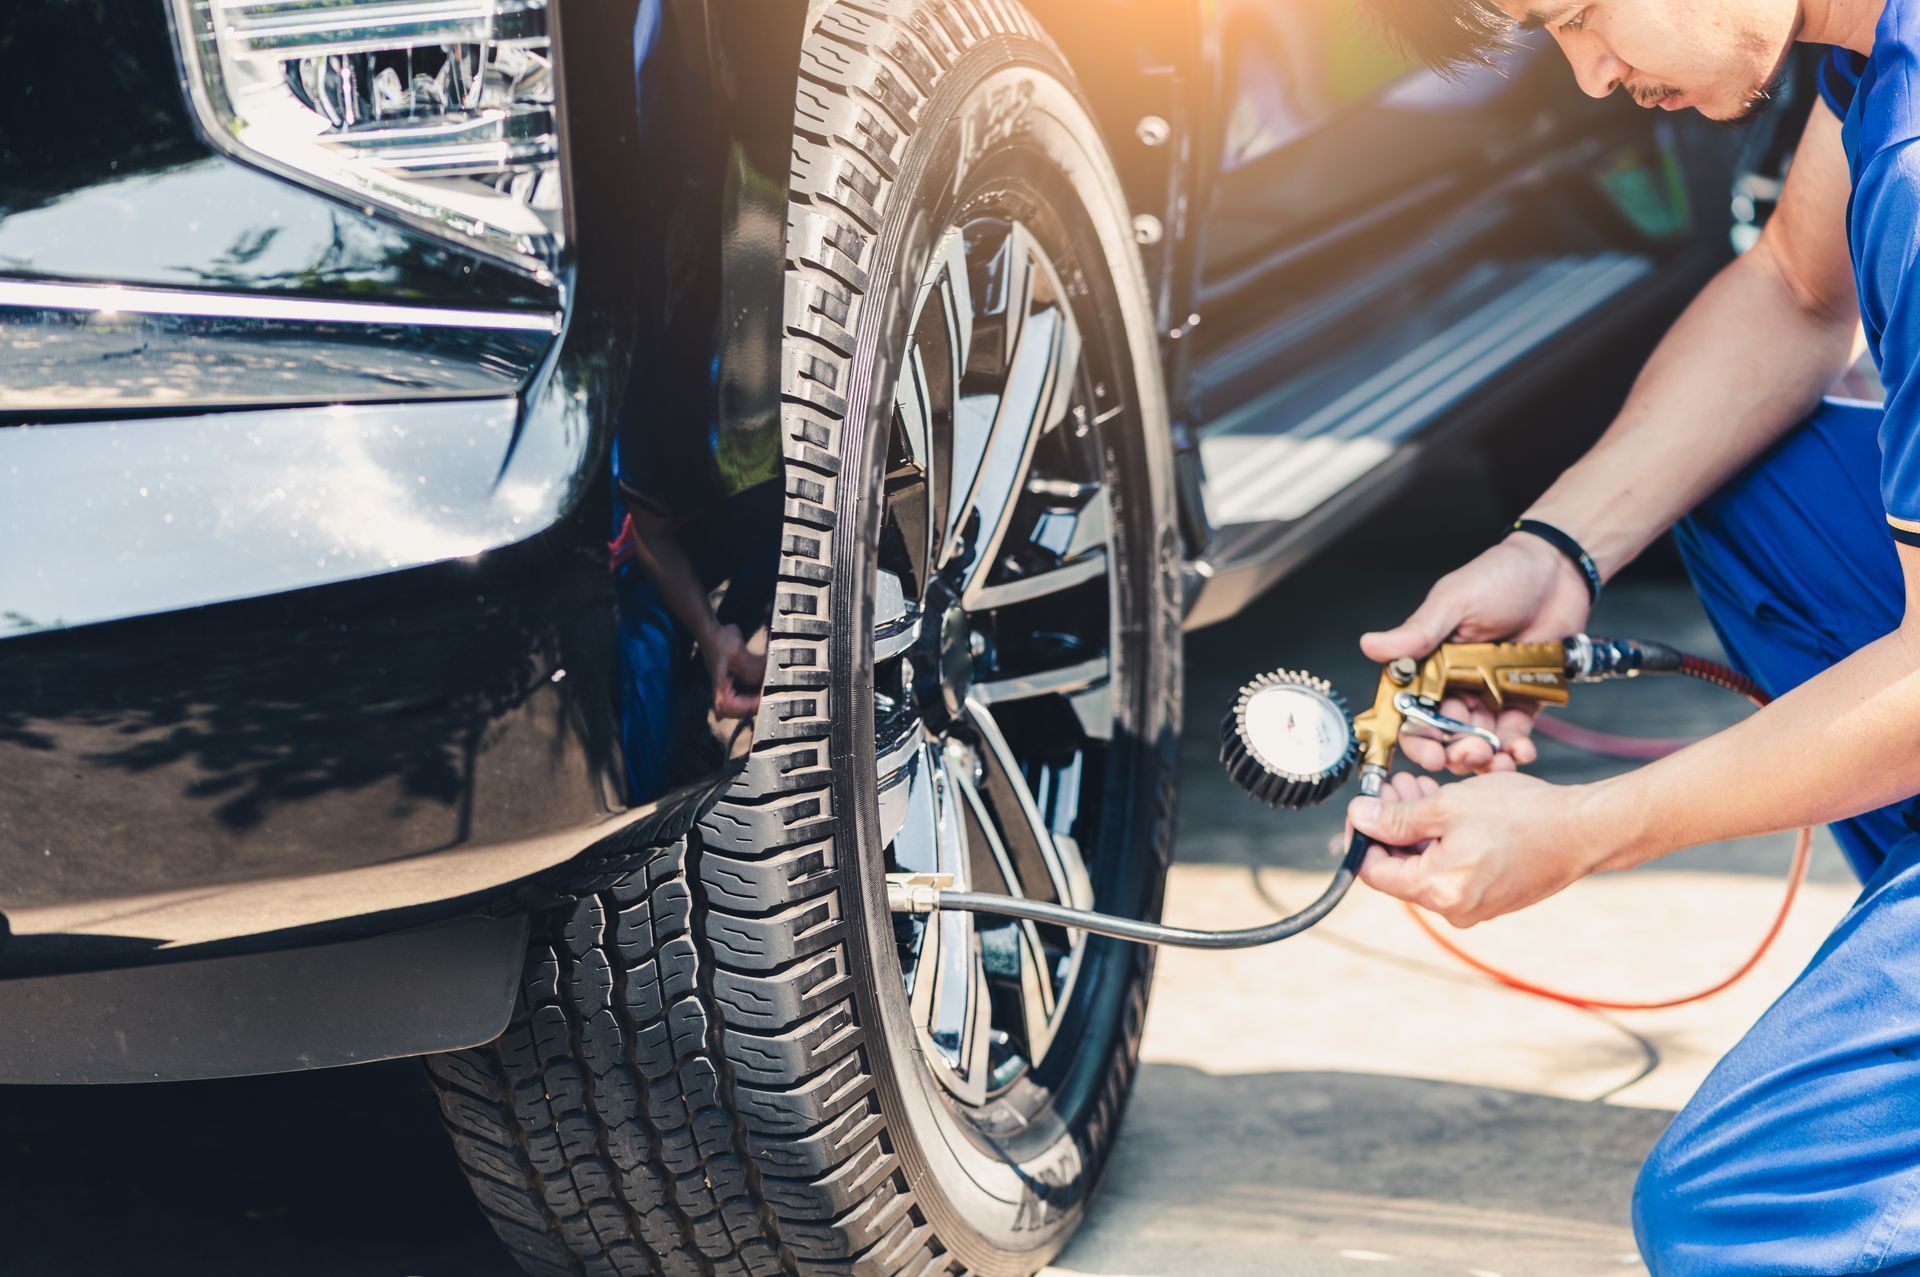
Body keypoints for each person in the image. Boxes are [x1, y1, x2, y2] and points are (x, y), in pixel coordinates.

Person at [1354, 0, 1920, 1271]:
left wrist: (1586, 829)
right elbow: (1793, 285)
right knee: (1741, 468)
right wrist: (1557, 548)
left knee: (1745, 1211)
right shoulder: (1870, 48)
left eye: (1583, 15)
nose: (1595, 74)